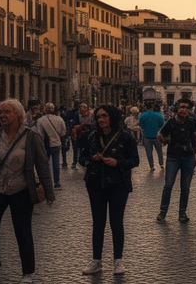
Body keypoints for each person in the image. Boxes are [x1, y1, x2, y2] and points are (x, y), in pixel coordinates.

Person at [0, 97, 55, 284]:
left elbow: (42, 165)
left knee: (23, 232)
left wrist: (49, 192)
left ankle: (27, 273)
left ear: (18, 114)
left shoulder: (31, 137)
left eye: (7, 112)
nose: (2, 115)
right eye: (0, 112)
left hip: (21, 189)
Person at [82, 104, 139, 276]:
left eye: (104, 116)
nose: (101, 120)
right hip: (95, 183)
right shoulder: (92, 136)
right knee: (98, 222)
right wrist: (91, 159)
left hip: (118, 184)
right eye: (98, 117)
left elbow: (135, 160)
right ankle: (96, 260)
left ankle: (118, 260)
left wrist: (117, 163)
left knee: (116, 222)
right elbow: (81, 158)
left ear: (112, 117)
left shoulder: (126, 137)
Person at [157, 98, 196, 223]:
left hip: (188, 157)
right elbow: (162, 134)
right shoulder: (171, 121)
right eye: (182, 107)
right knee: (168, 185)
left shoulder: (193, 121)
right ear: (177, 109)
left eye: (187, 108)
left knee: (185, 187)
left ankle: (182, 212)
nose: (184, 110)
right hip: (173, 157)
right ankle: (163, 211)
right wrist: (164, 139)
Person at [33, 102, 68, 189]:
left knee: (44, 164)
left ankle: (44, 180)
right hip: (56, 143)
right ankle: (57, 181)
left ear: (45, 110)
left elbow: (39, 133)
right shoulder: (59, 119)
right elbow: (63, 132)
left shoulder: (41, 120)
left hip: (45, 144)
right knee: (56, 163)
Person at [138, 102, 165, 171]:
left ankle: (151, 166)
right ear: (152, 107)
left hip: (147, 136)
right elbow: (162, 124)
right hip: (156, 136)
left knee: (149, 152)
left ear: (146, 107)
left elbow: (141, 124)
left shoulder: (142, 115)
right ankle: (161, 163)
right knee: (159, 151)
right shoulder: (158, 115)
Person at [71, 102, 93, 169]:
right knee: (76, 149)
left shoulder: (91, 115)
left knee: (86, 149)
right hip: (78, 135)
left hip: (87, 135)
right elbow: (74, 124)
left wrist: (86, 125)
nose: (81, 109)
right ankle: (75, 162)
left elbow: (93, 125)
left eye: (83, 107)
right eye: (80, 107)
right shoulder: (77, 115)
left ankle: (85, 161)